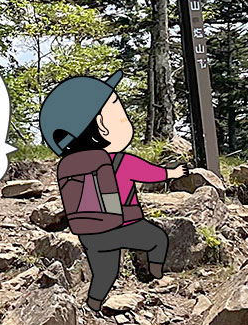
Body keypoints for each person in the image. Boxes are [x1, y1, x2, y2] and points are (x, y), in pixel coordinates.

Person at [38, 70, 188, 307]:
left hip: (89, 233)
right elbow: (152, 174)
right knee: (157, 240)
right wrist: (173, 173)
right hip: (124, 226)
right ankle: (157, 278)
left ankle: (94, 305)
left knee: (106, 273)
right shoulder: (121, 161)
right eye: (117, 110)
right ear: (101, 125)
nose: (123, 117)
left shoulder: (69, 165)